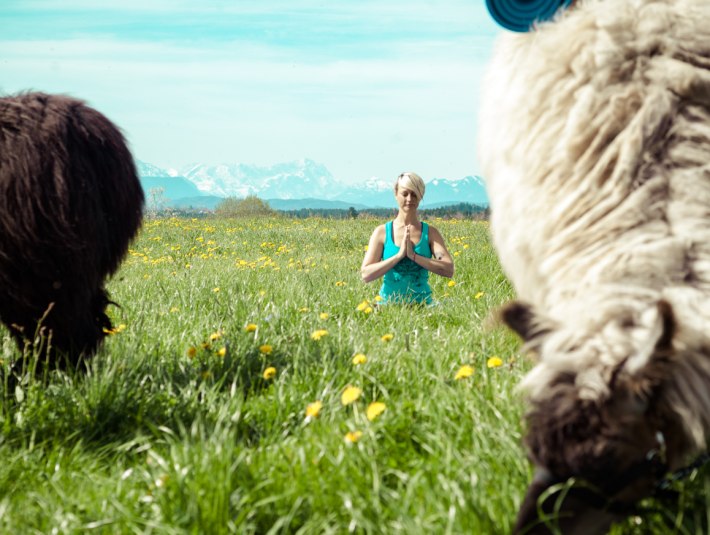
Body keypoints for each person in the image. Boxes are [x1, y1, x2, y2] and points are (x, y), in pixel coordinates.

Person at [360, 172, 454, 305]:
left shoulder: (431, 233)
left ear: (421, 196)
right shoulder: (382, 232)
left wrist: (414, 256)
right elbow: (366, 275)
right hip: (388, 306)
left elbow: (448, 269)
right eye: (405, 194)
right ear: (396, 194)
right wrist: (398, 256)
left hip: (423, 306)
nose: (410, 199)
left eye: (414, 194)